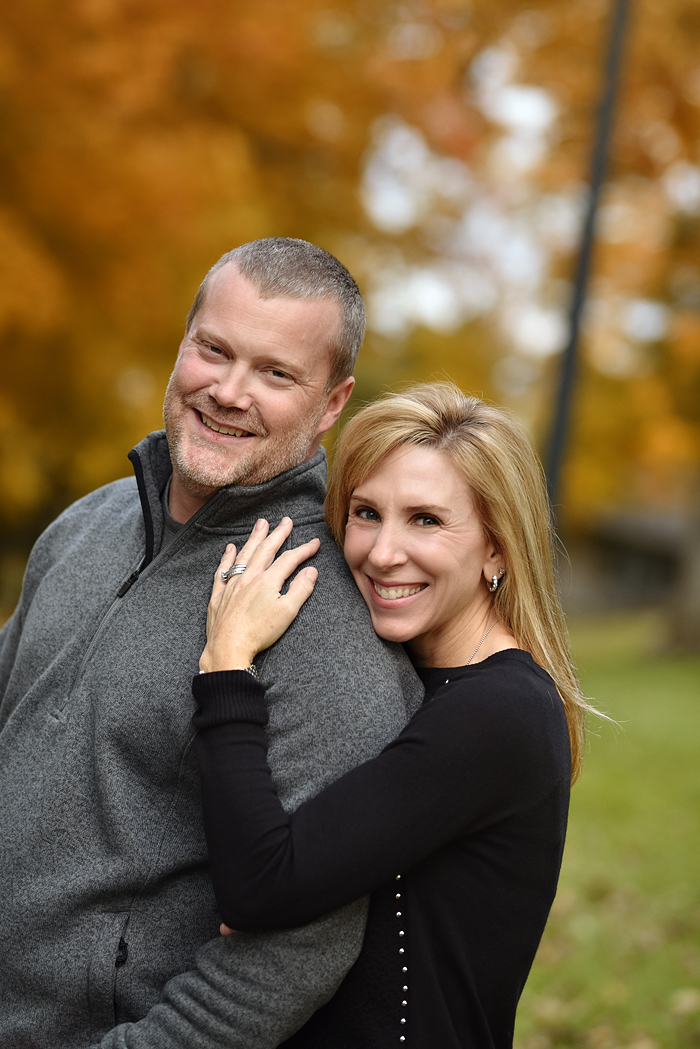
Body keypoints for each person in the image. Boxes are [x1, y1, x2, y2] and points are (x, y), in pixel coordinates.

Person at [0, 238, 422, 1049]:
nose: (228, 392)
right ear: (183, 342)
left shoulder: (328, 623)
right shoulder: (86, 525)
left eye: (276, 373)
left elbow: (290, 958)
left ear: (331, 404)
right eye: (215, 350)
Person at [190, 382, 594, 1049]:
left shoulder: (499, 712)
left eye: (426, 520)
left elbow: (258, 885)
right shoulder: (415, 677)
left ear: (497, 548)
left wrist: (227, 663)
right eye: (367, 513)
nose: (382, 552)